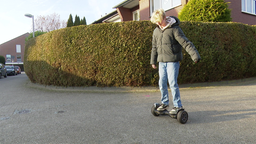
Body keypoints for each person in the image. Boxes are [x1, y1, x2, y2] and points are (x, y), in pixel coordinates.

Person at [150, 9, 201, 114]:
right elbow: (154, 47)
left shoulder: (174, 29)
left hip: (173, 61)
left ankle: (178, 105)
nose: (158, 23)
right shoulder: (156, 31)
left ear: (164, 18)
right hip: (162, 62)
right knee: (162, 83)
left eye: (159, 21)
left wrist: (195, 55)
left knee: (172, 83)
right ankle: (164, 103)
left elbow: (185, 42)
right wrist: (153, 61)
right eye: (156, 21)